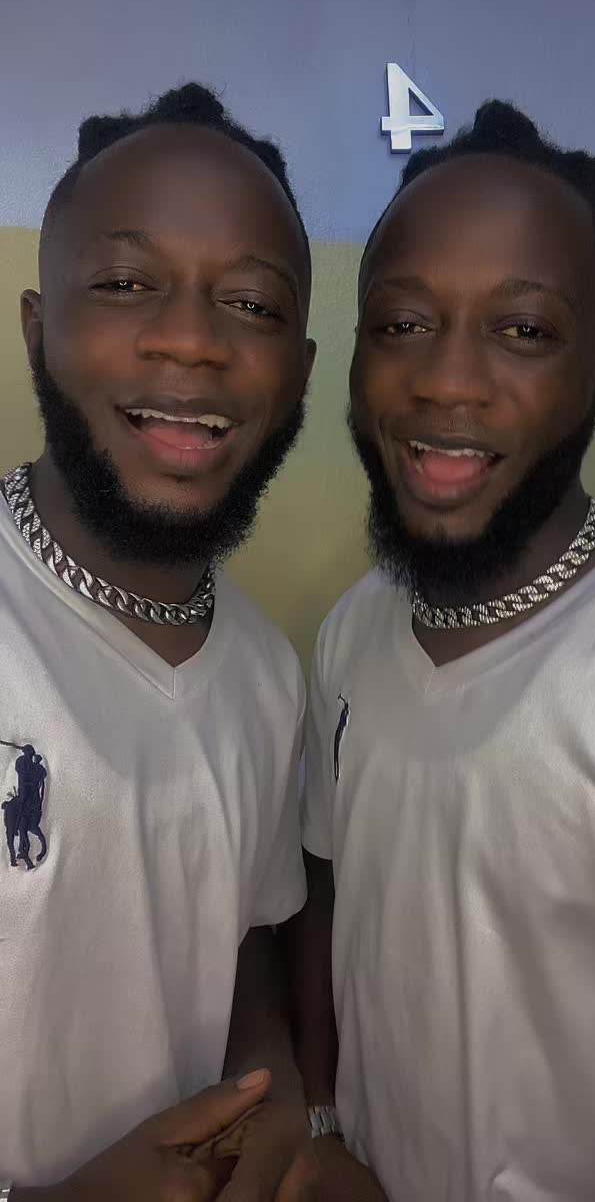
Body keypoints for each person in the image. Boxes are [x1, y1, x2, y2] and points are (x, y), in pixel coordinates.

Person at [294, 102, 595, 1200]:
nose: (447, 381)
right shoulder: (350, 635)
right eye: (402, 323)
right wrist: (323, 1120)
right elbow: (329, 903)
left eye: (523, 331)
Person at [0, 81, 324, 1199]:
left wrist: (274, 1079)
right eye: (127, 284)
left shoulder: (268, 674)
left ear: (302, 372)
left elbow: (236, 935)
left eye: (250, 303)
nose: (191, 340)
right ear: (38, 328)